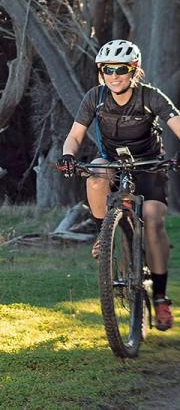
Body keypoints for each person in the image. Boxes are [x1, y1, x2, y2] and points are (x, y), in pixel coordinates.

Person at [57, 39, 180, 331]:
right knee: (96, 174)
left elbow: (176, 122)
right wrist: (67, 156)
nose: (114, 76)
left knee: (152, 219)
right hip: (112, 161)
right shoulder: (95, 98)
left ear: (133, 70)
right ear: (101, 72)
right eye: (107, 70)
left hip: (149, 165)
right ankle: (104, 232)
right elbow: (75, 136)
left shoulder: (151, 97)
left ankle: (161, 297)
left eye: (121, 69)